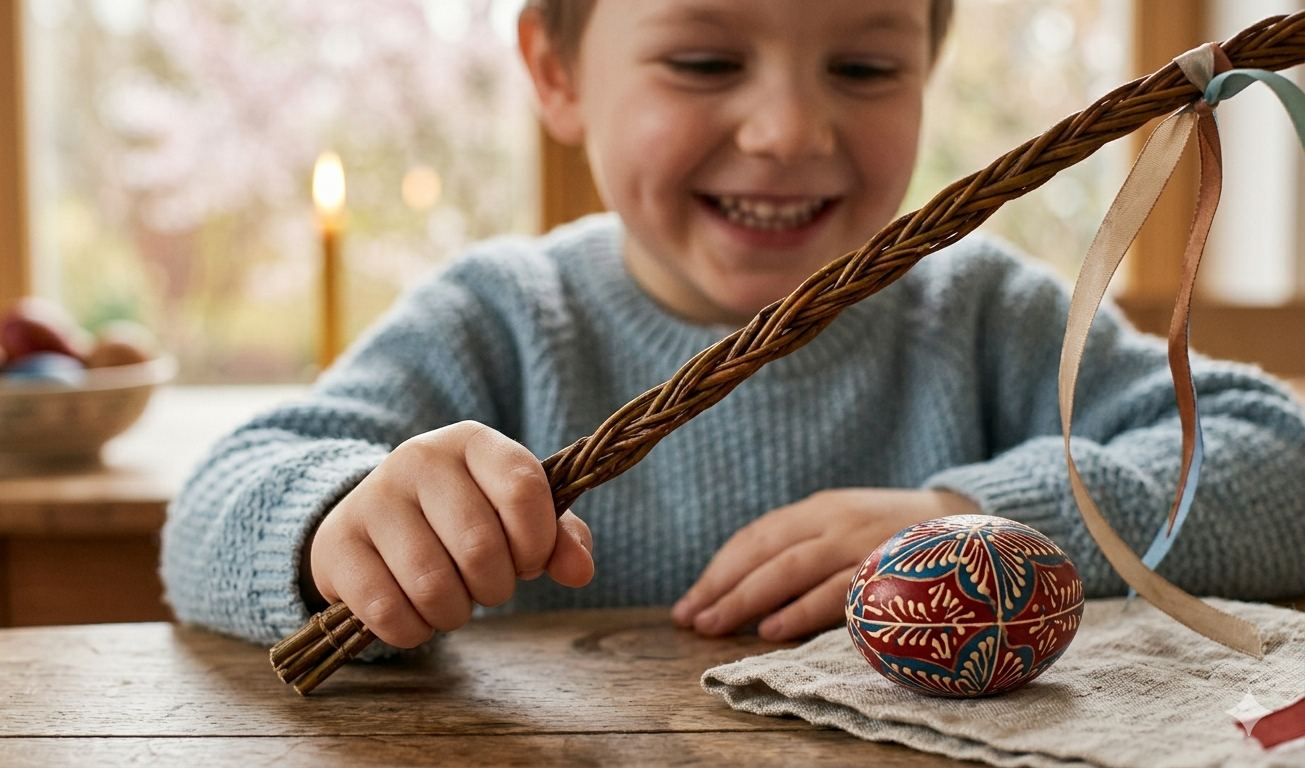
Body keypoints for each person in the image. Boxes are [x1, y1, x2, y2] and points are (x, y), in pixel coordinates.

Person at [161, 0, 1305, 653]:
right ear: (554, 72)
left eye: (861, 66)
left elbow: (1278, 464)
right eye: (705, 61)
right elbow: (220, 502)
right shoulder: (500, 321)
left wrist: (972, 525)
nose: (787, 130)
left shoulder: (982, 316)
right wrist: (335, 530)